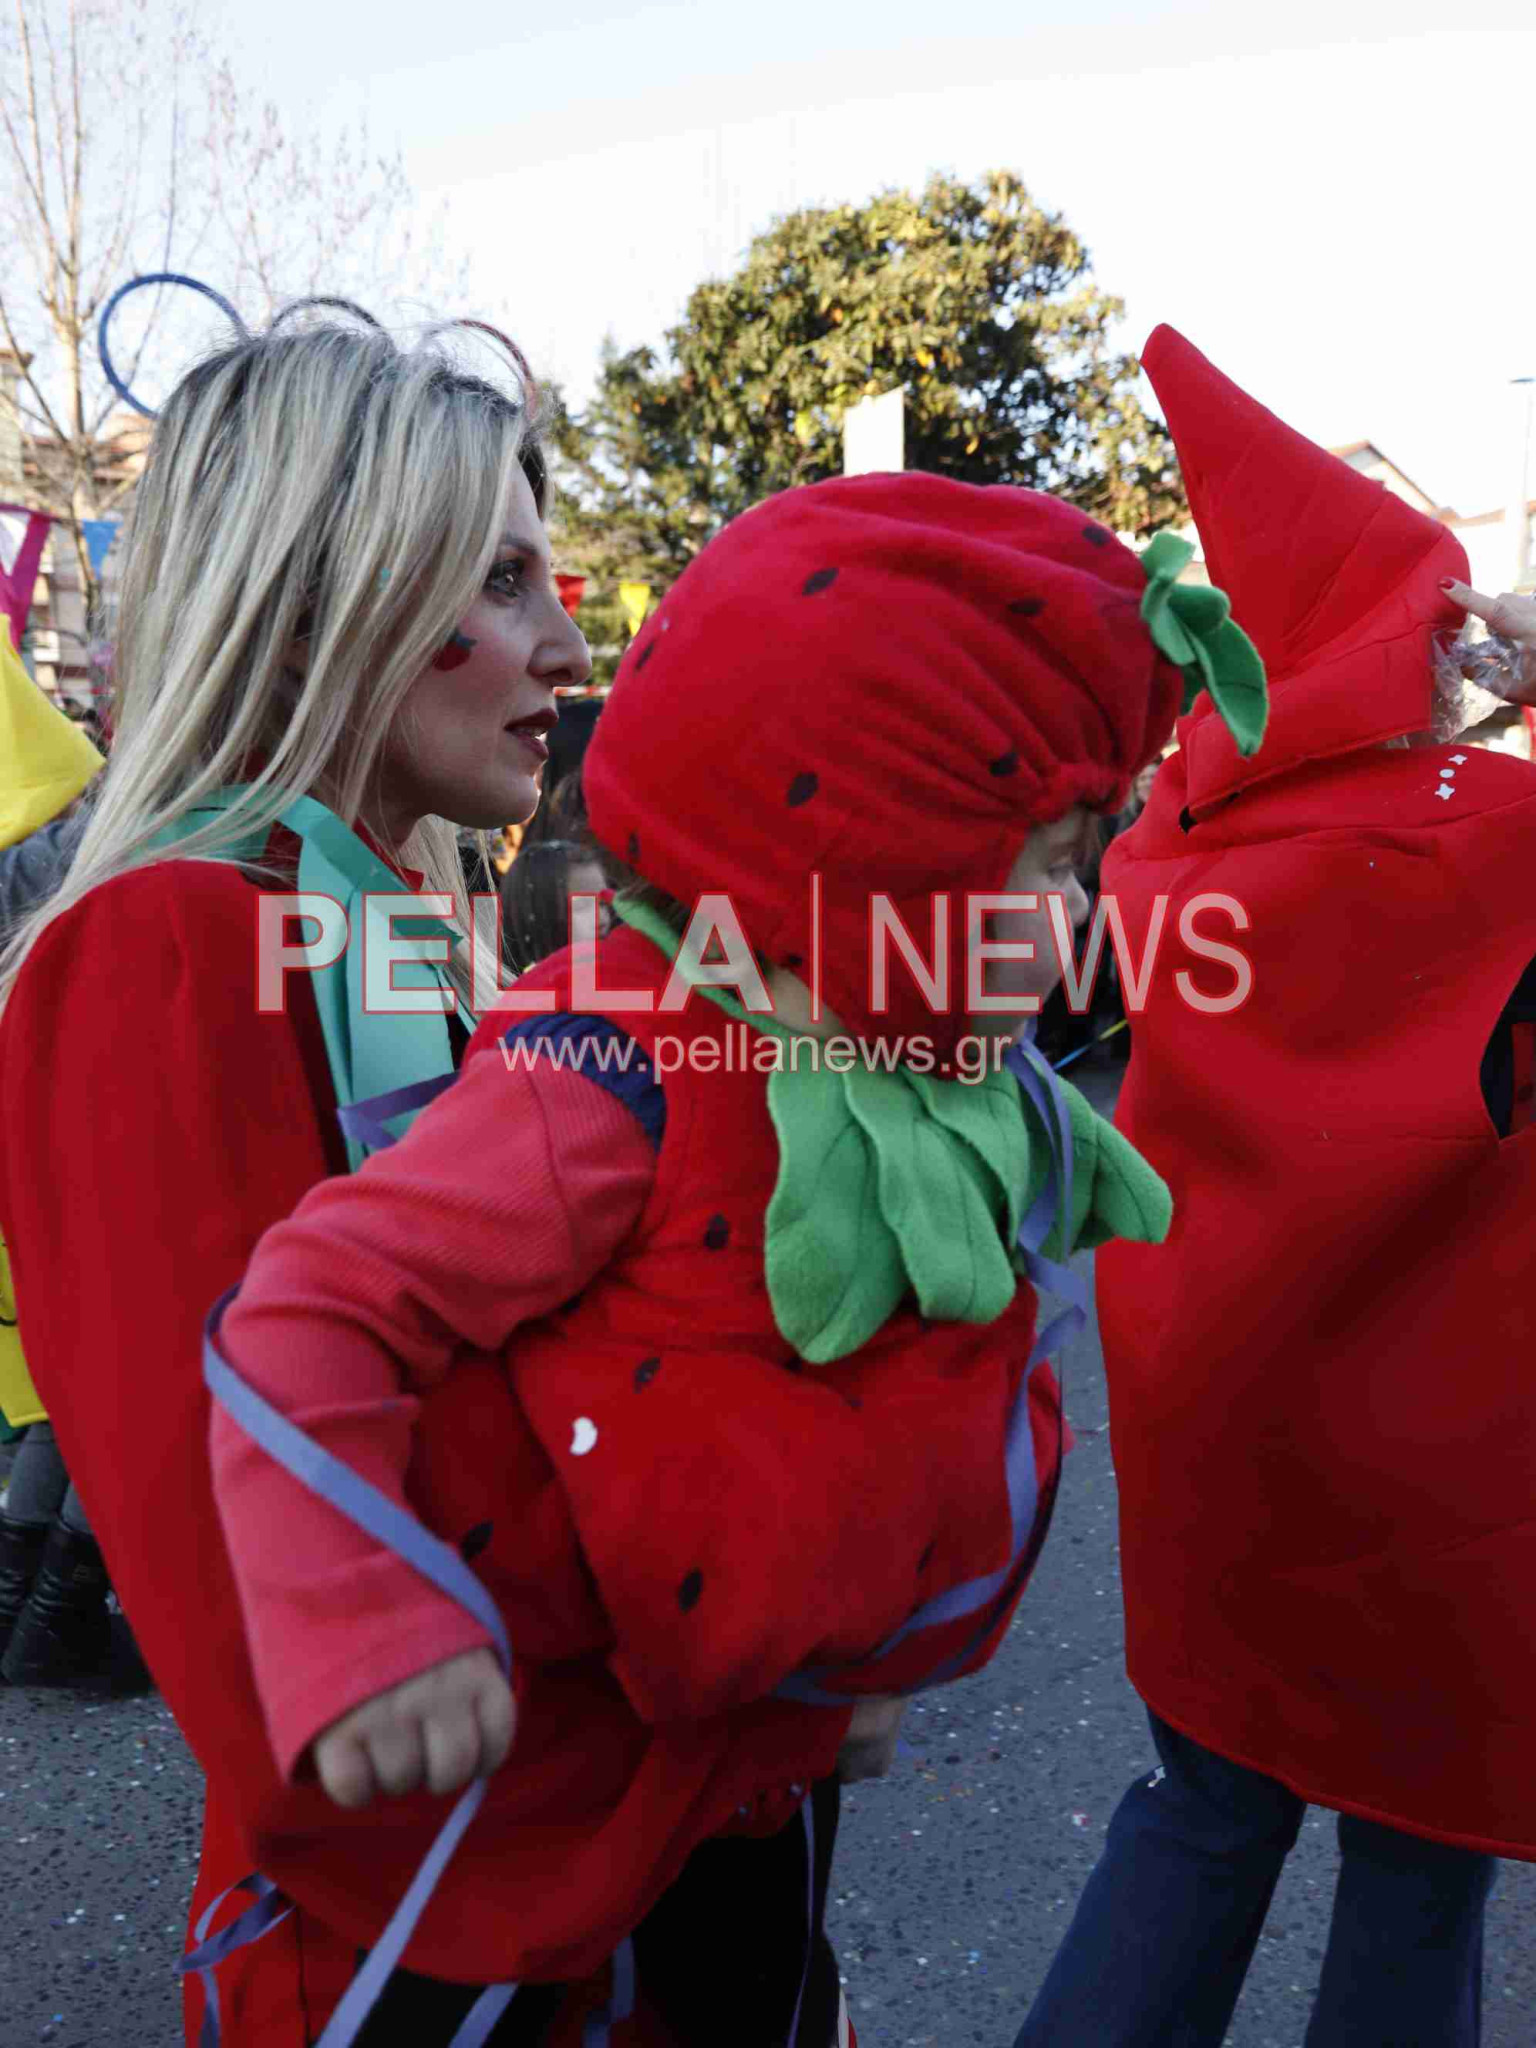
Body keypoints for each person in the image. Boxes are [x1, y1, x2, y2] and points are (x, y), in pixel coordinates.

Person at [201, 473, 1271, 2045]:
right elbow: (311, 1310)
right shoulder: (618, 1075)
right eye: (1046, 862)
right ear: (865, 853)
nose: (1083, 919)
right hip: (533, 1828)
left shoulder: (917, 1077)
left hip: (753, 1787)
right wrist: (362, 1625)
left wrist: (844, 1669)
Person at [0, 303, 592, 2046]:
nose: (566, 644)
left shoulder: (363, 905)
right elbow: (260, 1608)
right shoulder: (176, 937)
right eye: (498, 582)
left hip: (564, 1890)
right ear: (325, 595)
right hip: (421, 1925)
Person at [1013, 326, 1536, 2048]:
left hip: (1213, 1435)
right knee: (1421, 1865)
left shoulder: (1174, 844)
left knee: (1204, 1815)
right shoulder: (1489, 847)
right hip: (1437, 1486)